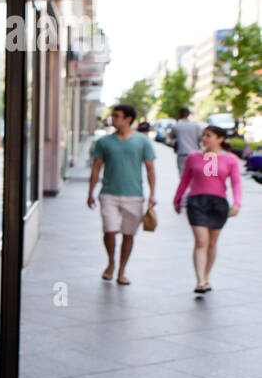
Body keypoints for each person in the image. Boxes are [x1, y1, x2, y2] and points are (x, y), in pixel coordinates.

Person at [87, 103, 156, 285]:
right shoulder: (104, 142)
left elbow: (150, 169)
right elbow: (96, 168)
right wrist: (90, 192)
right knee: (109, 231)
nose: (113, 119)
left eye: (117, 116)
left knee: (128, 234)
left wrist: (152, 195)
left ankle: (122, 270)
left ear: (128, 119)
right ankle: (111, 262)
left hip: (134, 195)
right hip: (108, 193)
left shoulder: (142, 141)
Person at [173, 124, 242, 294]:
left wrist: (237, 203)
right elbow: (185, 180)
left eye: (208, 135)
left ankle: (206, 276)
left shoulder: (231, 159)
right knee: (201, 241)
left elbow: (236, 183)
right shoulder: (193, 157)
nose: (204, 139)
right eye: (203, 135)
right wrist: (177, 199)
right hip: (196, 202)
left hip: (218, 203)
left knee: (212, 243)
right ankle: (200, 281)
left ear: (220, 139)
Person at [171, 106, 203, 176]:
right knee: (194, 176)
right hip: (195, 153)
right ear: (188, 114)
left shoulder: (176, 126)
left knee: (183, 177)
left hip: (182, 154)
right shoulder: (196, 126)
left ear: (179, 114)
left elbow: (172, 138)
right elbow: (200, 139)